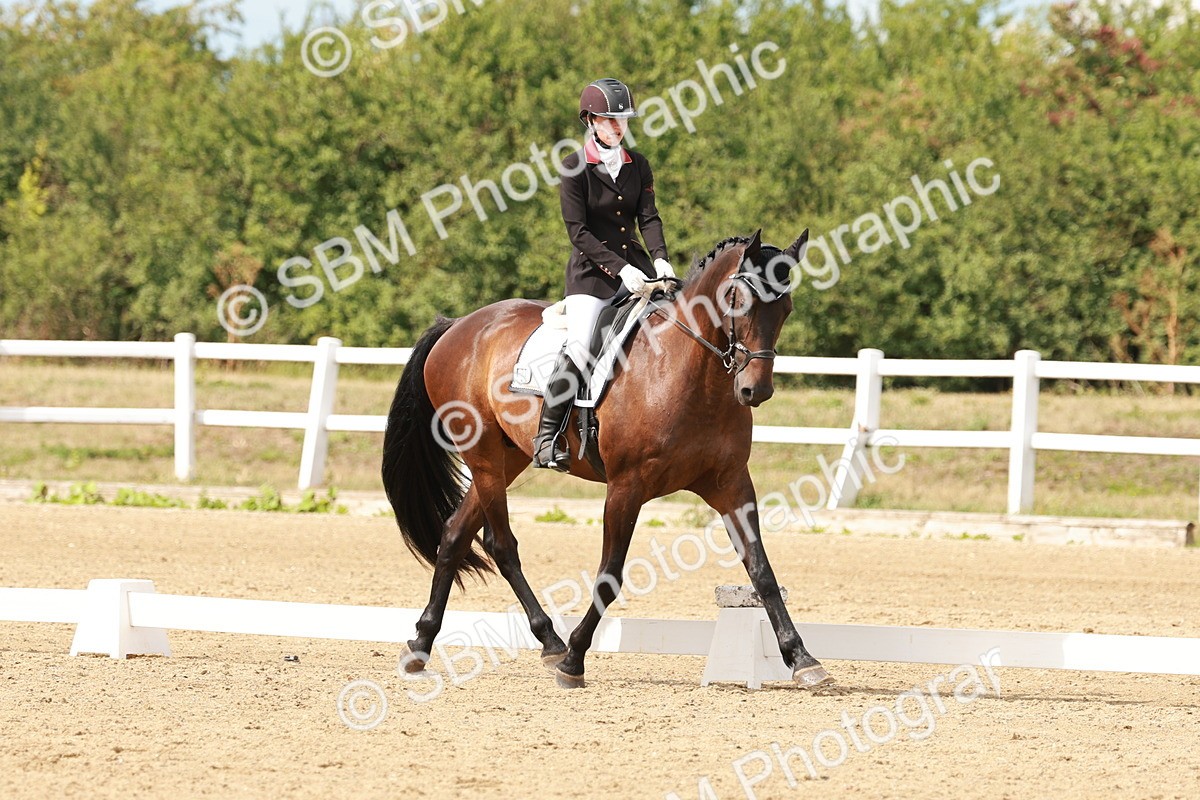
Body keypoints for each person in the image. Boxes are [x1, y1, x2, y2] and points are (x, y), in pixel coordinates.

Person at [533, 78, 675, 471]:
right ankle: (546, 439)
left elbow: (648, 217)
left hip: (640, 271)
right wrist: (620, 268)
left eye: (623, 120)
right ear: (591, 121)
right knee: (580, 346)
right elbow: (578, 232)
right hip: (591, 277)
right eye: (610, 120)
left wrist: (660, 259)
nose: (618, 127)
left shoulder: (638, 164)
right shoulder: (574, 167)